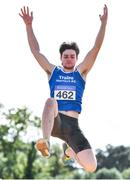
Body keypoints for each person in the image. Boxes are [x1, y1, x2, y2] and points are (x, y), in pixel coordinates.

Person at [19, 4, 108, 172]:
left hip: (73, 127)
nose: (68, 59)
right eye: (65, 56)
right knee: (51, 101)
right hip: (56, 121)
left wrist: (103, 24)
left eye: (72, 56)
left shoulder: (81, 72)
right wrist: (29, 26)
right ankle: (45, 141)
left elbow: (95, 49)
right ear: (61, 58)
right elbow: (36, 51)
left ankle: (69, 151)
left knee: (91, 167)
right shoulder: (53, 71)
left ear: (76, 58)